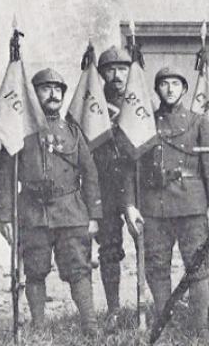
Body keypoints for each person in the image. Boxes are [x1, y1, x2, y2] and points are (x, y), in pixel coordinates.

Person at [0, 68, 102, 336]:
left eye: (58, 89)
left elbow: (90, 174)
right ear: (34, 94)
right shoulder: (19, 133)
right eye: (46, 88)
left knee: (78, 268)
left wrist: (93, 216)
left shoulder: (74, 133)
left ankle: (89, 324)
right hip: (32, 212)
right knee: (35, 270)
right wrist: (5, 217)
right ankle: (39, 325)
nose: (53, 94)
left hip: (70, 212)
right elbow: (3, 174)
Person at [123, 66, 209, 335]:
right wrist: (131, 204)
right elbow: (132, 168)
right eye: (164, 84)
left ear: (185, 89)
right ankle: (163, 322)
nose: (170, 89)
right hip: (154, 205)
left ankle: (198, 327)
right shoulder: (144, 123)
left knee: (197, 265)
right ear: (156, 90)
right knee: (156, 266)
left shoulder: (198, 122)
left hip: (192, 203)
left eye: (175, 84)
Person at [93, 45, 135, 322]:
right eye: (110, 69)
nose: (117, 75)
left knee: (149, 243)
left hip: (138, 184)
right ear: (101, 74)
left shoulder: (142, 106)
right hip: (105, 185)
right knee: (108, 248)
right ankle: (114, 309)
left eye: (122, 69)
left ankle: (147, 303)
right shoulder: (92, 107)